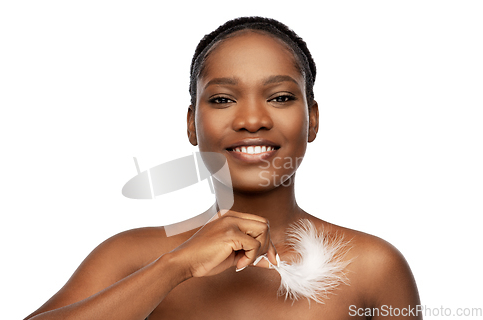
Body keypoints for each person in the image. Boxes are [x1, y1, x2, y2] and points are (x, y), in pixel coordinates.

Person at [24, 16, 421, 320]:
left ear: (312, 119)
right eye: (222, 100)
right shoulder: (130, 257)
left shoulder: (374, 267)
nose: (252, 119)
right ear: (191, 124)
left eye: (280, 97)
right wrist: (176, 266)